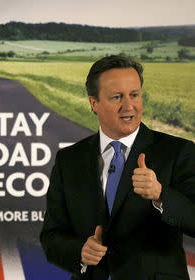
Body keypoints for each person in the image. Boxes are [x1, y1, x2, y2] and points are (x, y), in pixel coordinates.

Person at [40, 55, 194, 280]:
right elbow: (52, 237)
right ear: (94, 103)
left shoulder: (178, 152)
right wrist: (80, 252)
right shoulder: (69, 160)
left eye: (134, 95)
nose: (128, 106)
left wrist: (161, 195)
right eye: (117, 97)